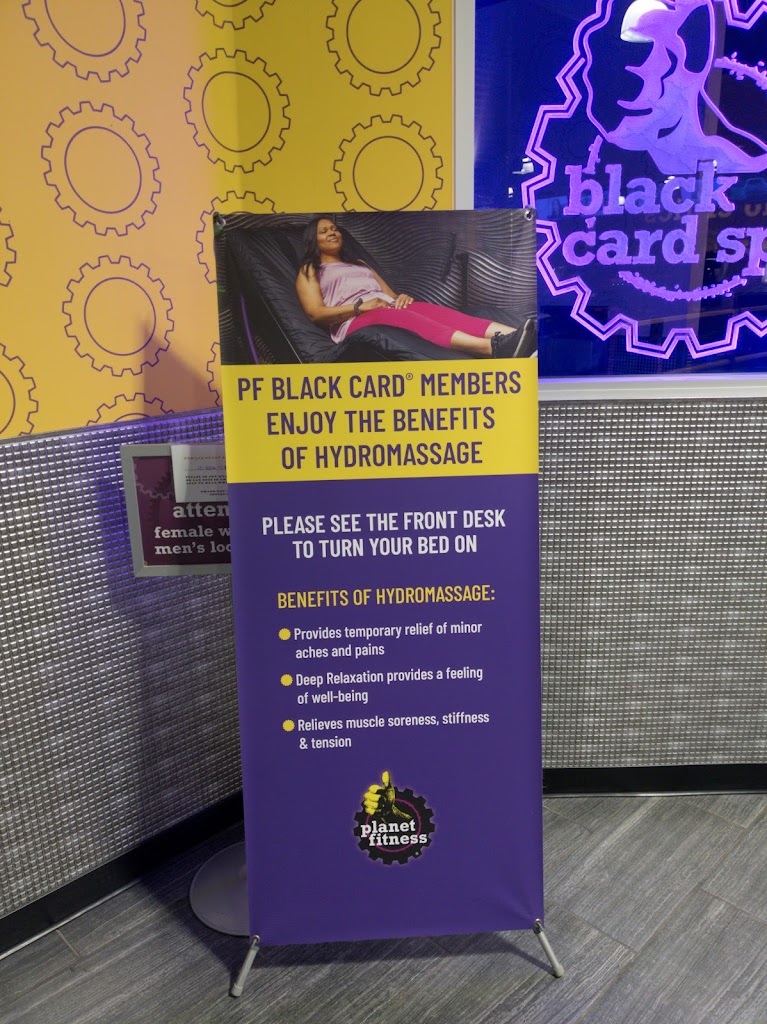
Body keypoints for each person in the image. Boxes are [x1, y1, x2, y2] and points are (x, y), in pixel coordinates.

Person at [295, 216, 536, 358]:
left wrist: (401, 298)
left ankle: (519, 335)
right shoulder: (310, 270)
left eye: (334, 229)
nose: (332, 233)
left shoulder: (359, 264)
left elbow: (389, 295)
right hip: (354, 320)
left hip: (385, 307)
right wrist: (359, 307)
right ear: (313, 240)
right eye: (324, 231)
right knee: (406, 317)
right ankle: (492, 348)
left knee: (437, 312)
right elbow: (315, 313)